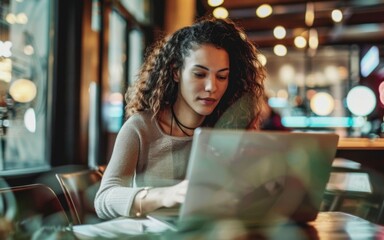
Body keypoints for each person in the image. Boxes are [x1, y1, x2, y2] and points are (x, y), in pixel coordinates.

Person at [94, 17, 266, 219]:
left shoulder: (229, 128)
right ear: (176, 72)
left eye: (221, 77)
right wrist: (165, 195)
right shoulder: (141, 128)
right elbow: (104, 199)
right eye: (200, 74)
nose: (212, 87)